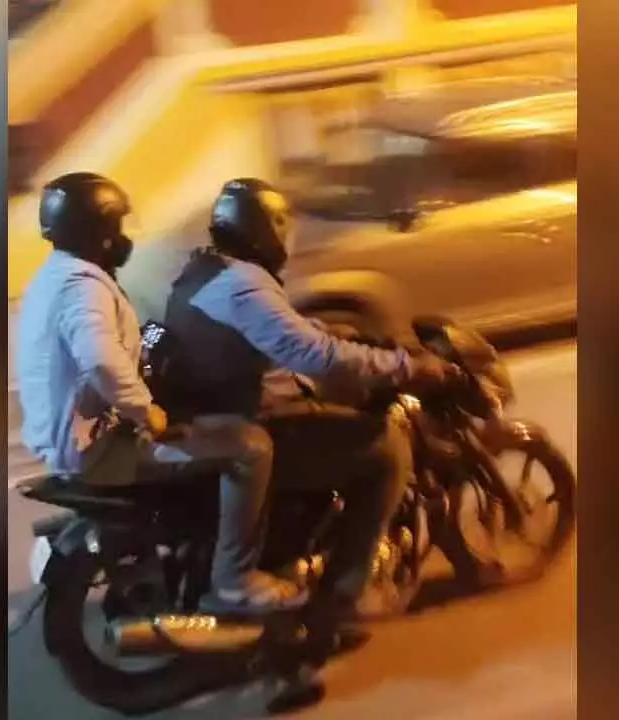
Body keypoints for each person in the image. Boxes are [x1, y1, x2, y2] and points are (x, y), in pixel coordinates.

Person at [15, 172, 306, 615]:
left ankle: (202, 540)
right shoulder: (83, 288)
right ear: (98, 232)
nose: (123, 238)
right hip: (99, 449)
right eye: (116, 227)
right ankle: (235, 582)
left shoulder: (53, 277)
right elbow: (100, 359)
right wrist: (144, 408)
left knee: (200, 432)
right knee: (251, 448)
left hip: (69, 438)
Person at [162, 177, 451, 622]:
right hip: (243, 418)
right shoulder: (244, 282)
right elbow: (314, 356)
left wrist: (337, 333)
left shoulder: (208, 269)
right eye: (283, 226)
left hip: (215, 406)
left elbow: (281, 332)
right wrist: (407, 366)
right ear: (267, 228)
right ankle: (344, 595)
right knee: (387, 449)